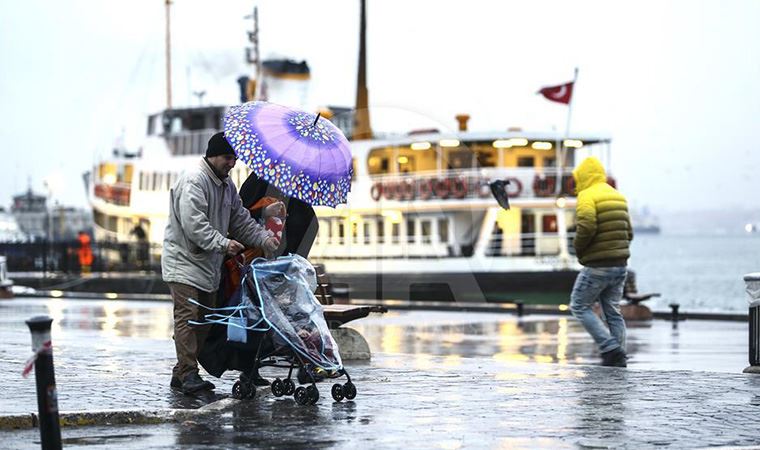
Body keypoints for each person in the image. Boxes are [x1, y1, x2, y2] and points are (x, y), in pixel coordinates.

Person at [162, 131, 280, 394]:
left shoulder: (227, 186)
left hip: (208, 266)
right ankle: (189, 374)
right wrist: (224, 244)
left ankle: (181, 372)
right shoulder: (195, 180)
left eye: (234, 158)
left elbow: (239, 220)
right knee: (188, 318)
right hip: (184, 263)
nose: (232, 163)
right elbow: (195, 226)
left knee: (204, 321)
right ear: (213, 155)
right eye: (228, 157)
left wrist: (264, 239)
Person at [569, 157, 633, 367]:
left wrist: (578, 248)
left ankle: (610, 348)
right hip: (621, 265)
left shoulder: (587, 196)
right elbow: (629, 232)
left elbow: (586, 225)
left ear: (583, 176)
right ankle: (619, 357)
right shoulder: (618, 196)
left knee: (579, 305)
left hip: (598, 265)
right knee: (613, 312)